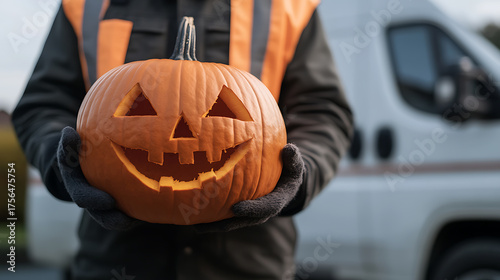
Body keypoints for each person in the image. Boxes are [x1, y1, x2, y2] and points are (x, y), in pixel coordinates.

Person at [12, 0, 353, 279]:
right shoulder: (83, 4)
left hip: (248, 263)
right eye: (141, 108)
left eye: (222, 110)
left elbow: (322, 112)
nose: (181, 133)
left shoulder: (289, 6)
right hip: (115, 260)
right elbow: (43, 105)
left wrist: (297, 178)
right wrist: (65, 167)